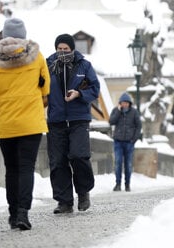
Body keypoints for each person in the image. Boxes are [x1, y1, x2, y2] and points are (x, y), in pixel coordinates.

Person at [0, 18, 50, 230]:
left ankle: (13, 215)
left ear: (4, 36)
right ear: (24, 34)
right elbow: (46, 88)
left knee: (11, 169)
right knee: (26, 168)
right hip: (31, 123)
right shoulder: (36, 56)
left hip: (7, 123)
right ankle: (23, 213)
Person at [46, 33, 100, 214]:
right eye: (59, 49)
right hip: (56, 120)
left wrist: (79, 94)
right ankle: (64, 202)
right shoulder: (47, 66)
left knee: (79, 155)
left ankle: (83, 192)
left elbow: (95, 89)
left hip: (78, 119)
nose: (62, 52)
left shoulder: (84, 65)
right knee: (58, 162)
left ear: (72, 49)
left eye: (66, 49)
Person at [109, 92, 142, 192]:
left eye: (127, 103)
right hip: (118, 142)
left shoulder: (134, 112)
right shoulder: (116, 110)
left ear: (129, 103)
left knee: (128, 165)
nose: (125, 104)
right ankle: (118, 184)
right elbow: (111, 121)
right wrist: (118, 112)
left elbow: (139, 126)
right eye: (123, 102)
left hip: (129, 143)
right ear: (120, 103)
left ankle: (127, 185)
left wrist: (134, 139)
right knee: (118, 163)